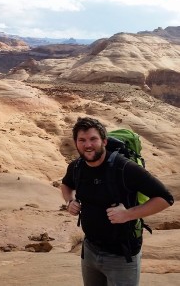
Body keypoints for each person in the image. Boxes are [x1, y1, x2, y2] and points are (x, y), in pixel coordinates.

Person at [61, 117, 174, 286]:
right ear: (76, 143)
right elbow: (65, 184)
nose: (88, 145)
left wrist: (128, 214)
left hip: (122, 256)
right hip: (90, 251)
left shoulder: (125, 168)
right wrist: (69, 201)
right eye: (82, 140)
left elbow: (165, 198)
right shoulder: (77, 167)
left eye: (93, 139)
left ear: (104, 141)